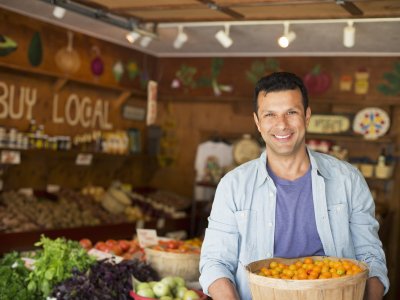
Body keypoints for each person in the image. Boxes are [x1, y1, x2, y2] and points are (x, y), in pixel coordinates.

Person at [199, 72, 389, 300]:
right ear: (258, 122)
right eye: (270, 114)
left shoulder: (348, 179)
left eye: (291, 112)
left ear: (307, 116)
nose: (282, 125)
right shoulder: (233, 186)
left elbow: (371, 258)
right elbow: (215, 262)